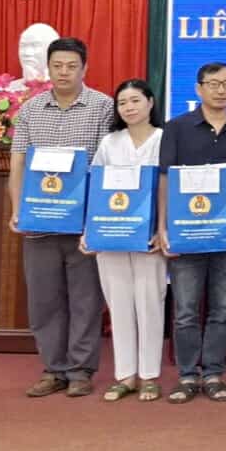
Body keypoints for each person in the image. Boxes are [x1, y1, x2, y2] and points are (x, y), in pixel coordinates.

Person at [8, 37, 114, 397]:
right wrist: (16, 208)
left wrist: (96, 218)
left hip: (82, 223)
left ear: (84, 68)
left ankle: (81, 370)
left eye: (72, 65)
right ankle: (53, 369)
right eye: (58, 66)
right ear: (48, 68)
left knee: (85, 299)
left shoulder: (103, 106)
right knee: (44, 299)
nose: (64, 72)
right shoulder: (31, 109)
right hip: (38, 222)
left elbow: (105, 168)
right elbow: (18, 164)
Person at [158, 62, 226, 403]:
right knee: (184, 309)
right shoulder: (177, 128)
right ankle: (186, 375)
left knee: (222, 309)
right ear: (198, 89)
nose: (221, 89)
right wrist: (163, 226)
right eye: (213, 84)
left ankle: (213, 373)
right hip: (187, 232)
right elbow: (165, 178)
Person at [80, 79, 166, 402]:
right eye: (122, 103)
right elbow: (95, 189)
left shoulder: (164, 139)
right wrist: (89, 231)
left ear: (150, 102)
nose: (129, 107)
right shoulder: (110, 142)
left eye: (135, 101)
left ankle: (149, 376)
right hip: (111, 236)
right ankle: (125, 375)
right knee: (119, 304)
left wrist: (163, 229)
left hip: (149, 239)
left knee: (150, 303)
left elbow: (168, 188)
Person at [4, 23, 60, 91]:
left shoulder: (66, 90)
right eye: (23, 46)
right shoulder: (8, 90)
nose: (26, 53)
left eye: (35, 45)